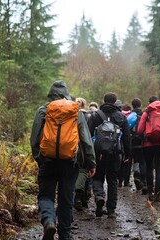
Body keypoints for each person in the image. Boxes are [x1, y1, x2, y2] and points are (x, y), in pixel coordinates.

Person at [30, 80, 96, 240]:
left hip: (48, 161)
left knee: (46, 196)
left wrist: (39, 157)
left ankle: (49, 222)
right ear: (67, 94)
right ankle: (65, 235)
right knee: (66, 198)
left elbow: (34, 138)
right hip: (70, 162)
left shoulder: (43, 110)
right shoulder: (76, 111)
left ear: (51, 94)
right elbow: (86, 139)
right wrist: (91, 162)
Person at [87, 92, 131, 219]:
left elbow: (88, 135)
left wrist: (88, 153)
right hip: (115, 152)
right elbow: (127, 137)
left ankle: (99, 196)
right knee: (112, 179)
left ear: (104, 100)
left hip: (98, 152)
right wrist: (127, 154)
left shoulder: (96, 115)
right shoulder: (121, 116)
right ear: (115, 101)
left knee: (97, 176)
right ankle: (111, 210)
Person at [137, 96, 160, 203]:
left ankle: (150, 193)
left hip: (148, 145)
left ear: (150, 103)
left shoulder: (147, 112)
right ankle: (158, 196)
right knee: (159, 169)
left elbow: (139, 130)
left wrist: (145, 136)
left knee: (149, 168)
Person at [74, 97, 94, 211]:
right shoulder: (90, 116)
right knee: (84, 172)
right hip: (85, 147)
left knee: (76, 173)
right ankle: (84, 198)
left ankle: (76, 198)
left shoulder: (72, 115)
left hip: (72, 147)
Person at [129, 98, 147, 195]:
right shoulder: (145, 114)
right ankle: (144, 182)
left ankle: (136, 175)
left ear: (132, 105)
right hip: (144, 142)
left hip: (134, 143)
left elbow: (127, 129)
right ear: (140, 105)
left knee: (136, 160)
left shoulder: (131, 116)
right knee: (143, 161)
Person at [118, 104, 132, 187]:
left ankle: (119, 180)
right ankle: (126, 181)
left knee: (119, 163)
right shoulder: (132, 116)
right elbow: (127, 135)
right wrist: (128, 152)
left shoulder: (118, 115)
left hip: (117, 143)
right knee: (127, 163)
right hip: (127, 142)